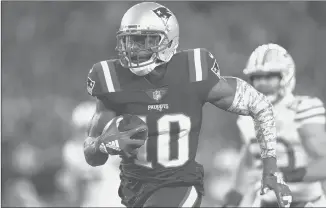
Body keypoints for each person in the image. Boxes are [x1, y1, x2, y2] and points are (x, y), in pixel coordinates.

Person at [83, 2, 291, 207]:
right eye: (128, 41)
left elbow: (260, 106)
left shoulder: (194, 71)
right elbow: (91, 156)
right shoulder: (111, 81)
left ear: (167, 40)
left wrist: (270, 168)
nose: (133, 49)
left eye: (143, 40)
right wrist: (101, 145)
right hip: (134, 190)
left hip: (179, 185)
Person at [224, 43, 326, 207]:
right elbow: (249, 159)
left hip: (305, 202)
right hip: (267, 202)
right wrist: (233, 198)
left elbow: (323, 161)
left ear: (285, 76)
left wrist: (290, 176)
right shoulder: (248, 117)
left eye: (269, 77)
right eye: (257, 77)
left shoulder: (302, 109)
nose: (262, 83)